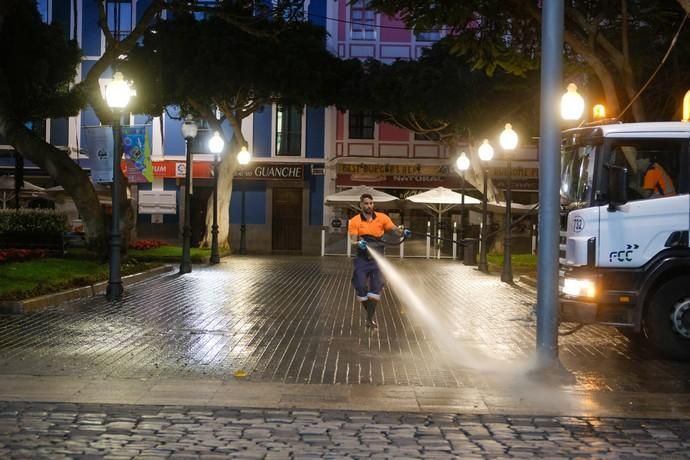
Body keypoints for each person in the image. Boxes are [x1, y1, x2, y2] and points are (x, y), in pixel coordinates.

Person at [348, 193, 410, 328]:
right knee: (360, 286)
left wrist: (402, 232)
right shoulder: (354, 221)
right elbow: (352, 240)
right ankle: (370, 317)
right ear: (361, 205)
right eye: (366, 203)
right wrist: (358, 243)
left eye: (371, 203)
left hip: (378, 259)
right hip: (362, 258)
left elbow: (394, 230)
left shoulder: (382, 218)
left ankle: (369, 319)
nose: (369, 206)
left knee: (376, 287)